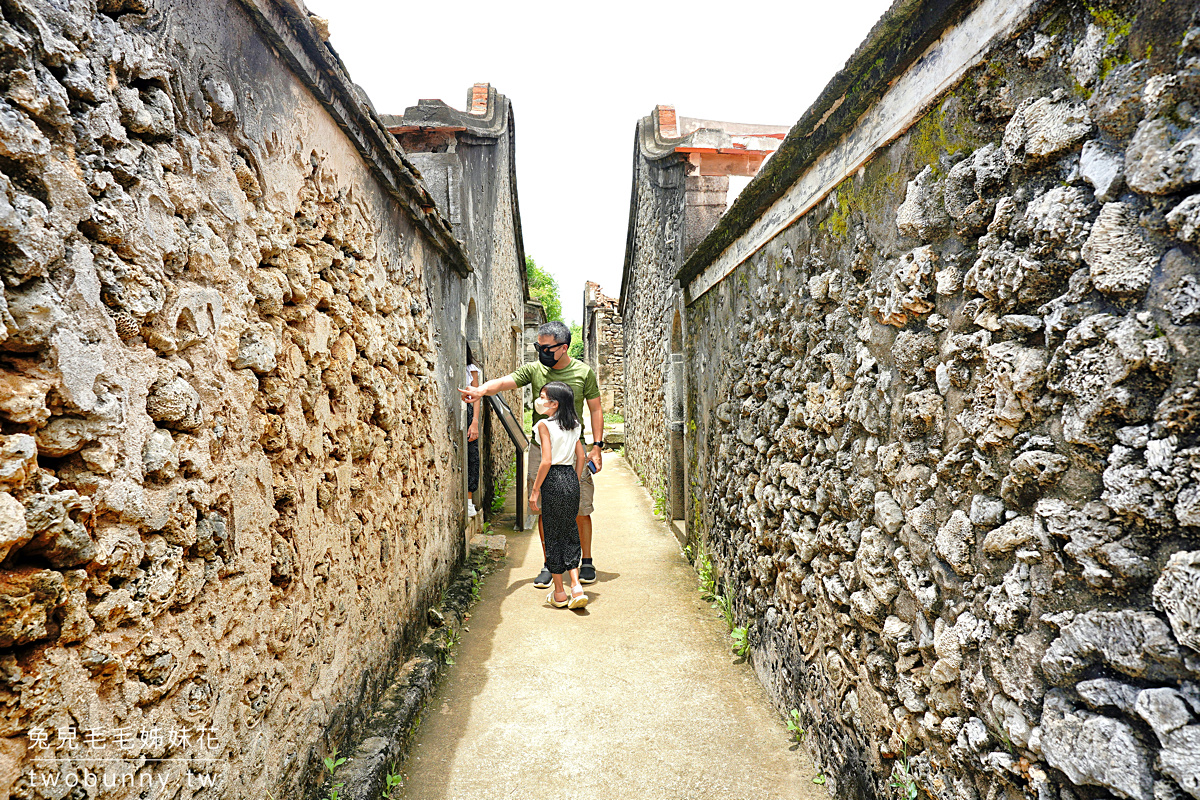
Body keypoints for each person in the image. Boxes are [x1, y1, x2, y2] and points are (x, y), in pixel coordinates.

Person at [458, 321, 605, 588]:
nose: (541, 351)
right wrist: (480, 390)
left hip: (574, 449)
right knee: (543, 510)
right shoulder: (535, 369)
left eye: (545, 347)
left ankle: (586, 561)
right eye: (538, 346)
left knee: (580, 508)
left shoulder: (583, 373)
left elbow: (595, 409)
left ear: (563, 347)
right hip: (541, 449)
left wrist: (597, 446)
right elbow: (505, 382)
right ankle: (551, 564)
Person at [529, 381, 588, 609]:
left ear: (554, 403)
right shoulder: (574, 424)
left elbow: (545, 460)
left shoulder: (544, 425)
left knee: (552, 535)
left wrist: (535, 491)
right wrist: (573, 477)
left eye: (543, 397)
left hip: (552, 479)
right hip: (570, 479)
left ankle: (560, 593)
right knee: (570, 530)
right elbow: (581, 457)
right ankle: (576, 586)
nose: (540, 401)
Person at [466, 358, 482, 518]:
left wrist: (475, 421)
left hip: (468, 414)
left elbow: (476, 397)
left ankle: (470, 502)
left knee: (472, 457)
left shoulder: (471, 369)